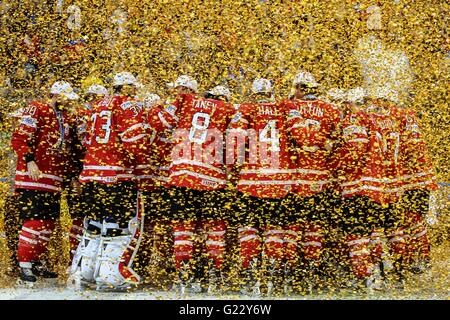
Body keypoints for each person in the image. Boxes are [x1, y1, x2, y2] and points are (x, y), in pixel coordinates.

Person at [147, 76, 235, 293]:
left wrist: (154, 107)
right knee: (214, 230)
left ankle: (184, 274)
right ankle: (214, 275)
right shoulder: (229, 109)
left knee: (183, 229)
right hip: (212, 178)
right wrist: (232, 169)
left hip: (182, 175)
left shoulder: (185, 101)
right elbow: (236, 141)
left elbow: (159, 123)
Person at [70, 72, 146, 290]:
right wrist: (143, 158)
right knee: (118, 227)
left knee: (94, 225)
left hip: (92, 173)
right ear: (126, 87)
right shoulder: (125, 105)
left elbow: (86, 138)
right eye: (132, 87)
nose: (135, 91)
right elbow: (134, 139)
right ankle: (109, 276)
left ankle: (84, 272)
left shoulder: (97, 106)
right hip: (115, 174)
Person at [229, 78, 294, 295]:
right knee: (274, 228)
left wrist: (233, 164)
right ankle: (275, 272)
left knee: (249, 227)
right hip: (279, 180)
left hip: (252, 180)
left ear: (254, 92)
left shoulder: (247, 108)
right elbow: (298, 138)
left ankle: (252, 273)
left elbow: (236, 136)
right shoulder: (283, 109)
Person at [11, 80, 79, 285]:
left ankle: (37, 260)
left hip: (54, 180)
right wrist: (30, 160)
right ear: (56, 95)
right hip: (33, 179)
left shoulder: (65, 117)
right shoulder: (37, 108)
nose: (69, 102)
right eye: (66, 98)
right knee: (34, 221)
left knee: (48, 224)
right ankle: (25, 265)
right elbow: (19, 138)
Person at [283, 71, 341, 293]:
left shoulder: (291, 107)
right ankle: (311, 270)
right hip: (320, 177)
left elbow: (289, 136)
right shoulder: (330, 108)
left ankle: (290, 271)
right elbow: (337, 138)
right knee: (314, 227)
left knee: (292, 226)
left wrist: (306, 145)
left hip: (296, 176)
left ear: (300, 88)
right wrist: (322, 143)